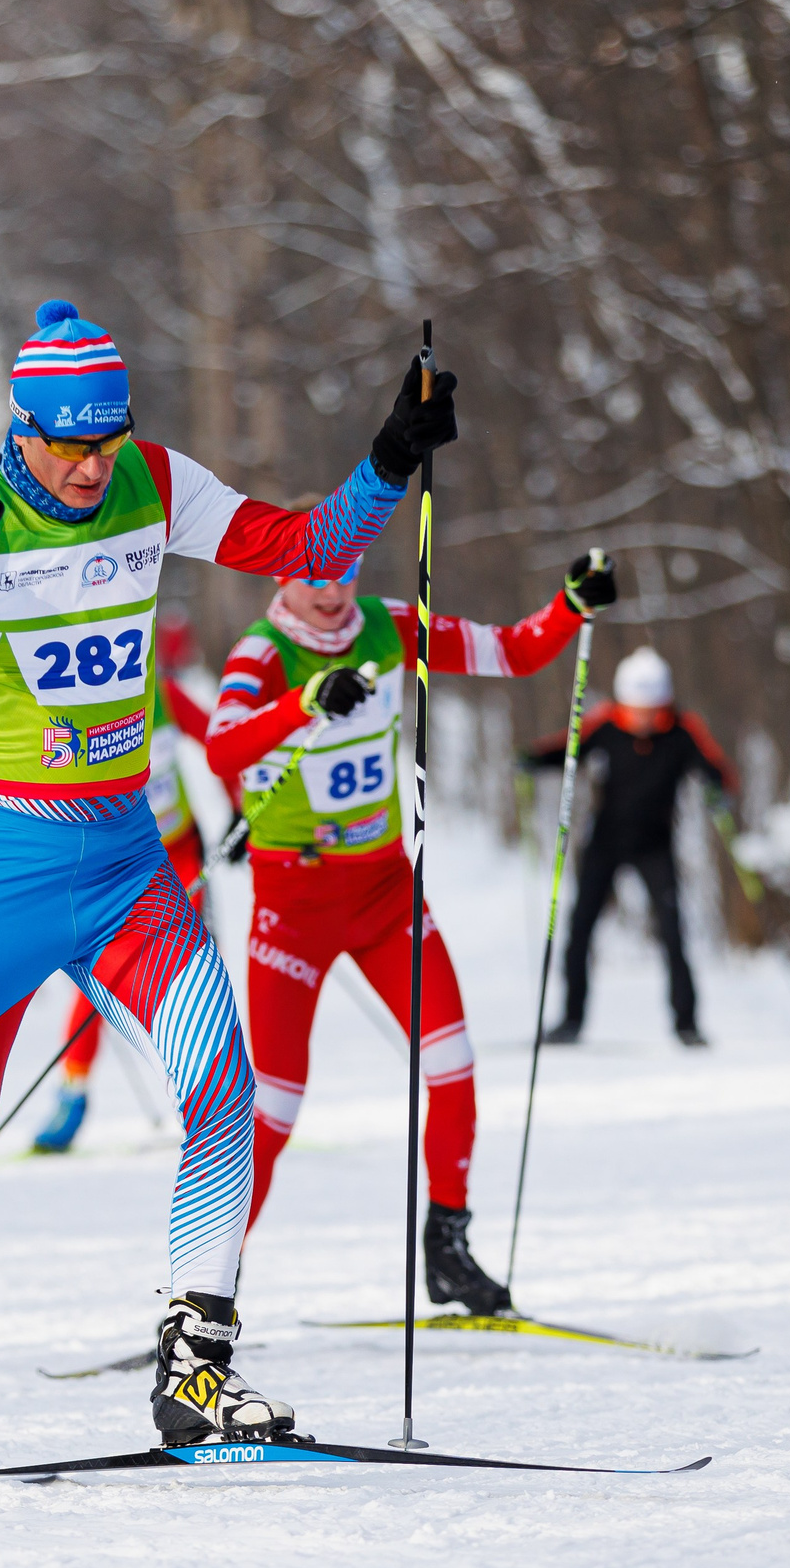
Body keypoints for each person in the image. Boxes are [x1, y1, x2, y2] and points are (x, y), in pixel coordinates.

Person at [0, 297, 455, 1477]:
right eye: (66, 444)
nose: (87, 465)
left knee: (223, 1093)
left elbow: (302, 548)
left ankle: (196, 1369)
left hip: (121, 863)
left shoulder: (151, 482)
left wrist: (385, 464)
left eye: (104, 441)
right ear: (22, 426)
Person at [204, 551, 617, 1315]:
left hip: (386, 890)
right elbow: (224, 745)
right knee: (277, 1105)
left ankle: (448, 1249)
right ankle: (209, 1282)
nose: (331, 594)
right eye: (311, 579)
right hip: (294, 907)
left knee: (453, 1062)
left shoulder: (392, 625)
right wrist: (303, 702)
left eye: (342, 573)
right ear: (280, 583)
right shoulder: (263, 651)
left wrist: (570, 602)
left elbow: (514, 651)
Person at [27, 669, 223, 1155]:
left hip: (177, 856)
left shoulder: (163, 689)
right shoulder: (74, 703)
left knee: (191, 974)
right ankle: (71, 1095)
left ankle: (209, 1099)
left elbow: (223, 741)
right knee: (102, 980)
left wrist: (241, 804)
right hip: (113, 865)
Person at [528, 646, 736, 1049]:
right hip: (605, 840)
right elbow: (566, 749)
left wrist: (717, 790)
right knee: (580, 929)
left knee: (673, 932)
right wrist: (532, 760)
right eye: (635, 709)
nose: (642, 720)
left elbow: (716, 770)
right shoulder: (606, 724)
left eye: (651, 710)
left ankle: (686, 1024)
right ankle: (570, 1020)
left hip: (655, 845)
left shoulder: (682, 730)